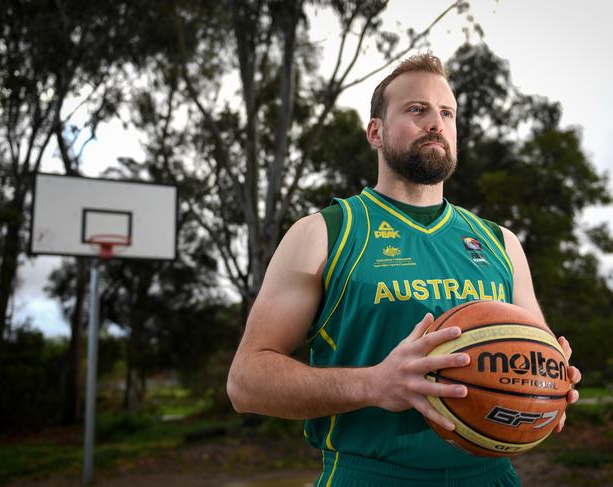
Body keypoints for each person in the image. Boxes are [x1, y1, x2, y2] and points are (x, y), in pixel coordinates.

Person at [226, 53, 581, 487]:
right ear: (375, 131)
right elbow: (246, 383)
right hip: (370, 475)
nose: (435, 122)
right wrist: (374, 384)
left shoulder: (500, 243)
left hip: (492, 476)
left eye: (446, 113)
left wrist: (550, 383)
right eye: (416, 110)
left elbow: (533, 351)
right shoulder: (325, 233)